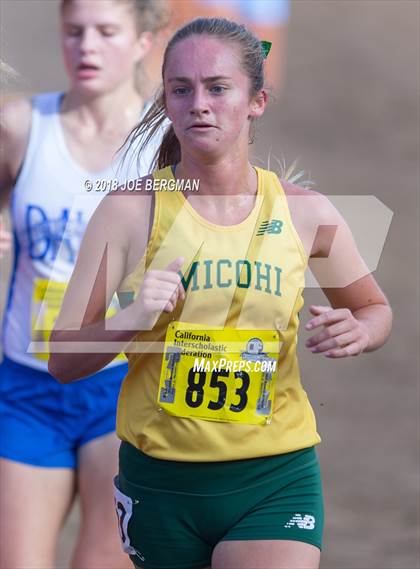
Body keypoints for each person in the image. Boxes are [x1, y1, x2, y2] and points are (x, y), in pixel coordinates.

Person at [48, 17, 393, 569]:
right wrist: (132, 319)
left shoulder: (308, 214)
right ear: (165, 100)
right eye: (181, 90)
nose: (198, 104)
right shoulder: (127, 211)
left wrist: (361, 330)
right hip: (162, 482)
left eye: (218, 87)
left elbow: (375, 308)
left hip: (274, 475)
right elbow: (63, 359)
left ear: (256, 100)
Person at [0, 1, 169, 568]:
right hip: (26, 388)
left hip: (122, 387)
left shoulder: (168, 143)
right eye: (73, 32)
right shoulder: (21, 127)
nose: (87, 47)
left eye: (105, 32)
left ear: (144, 40)